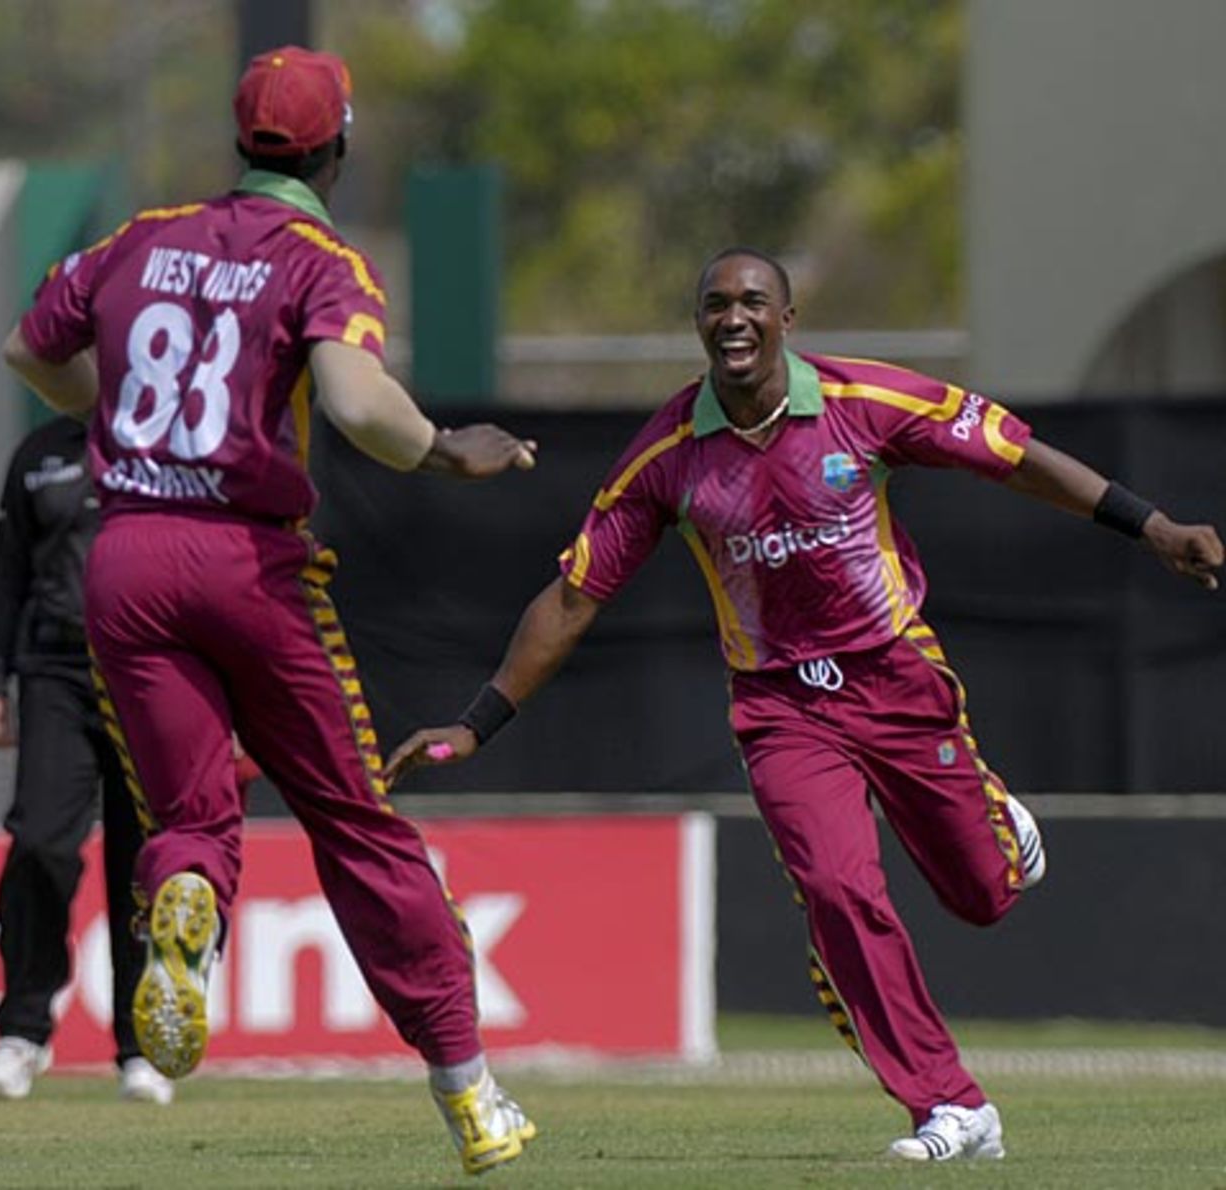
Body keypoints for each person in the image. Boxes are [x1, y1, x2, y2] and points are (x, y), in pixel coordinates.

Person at [386, 247, 1224, 1163]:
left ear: (788, 321)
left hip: (893, 676)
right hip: (780, 706)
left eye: (753, 302)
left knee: (983, 895)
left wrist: (1154, 528)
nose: (733, 318)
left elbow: (1015, 458)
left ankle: (995, 825)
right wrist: (476, 723)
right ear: (698, 324)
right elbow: (575, 598)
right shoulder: (670, 454)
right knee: (835, 889)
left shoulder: (866, 402)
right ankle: (949, 1104)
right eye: (715, 305)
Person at [2, 45, 537, 1176]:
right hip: (249, 564)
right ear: (338, 147)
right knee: (356, 821)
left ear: (240, 141)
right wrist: (443, 450)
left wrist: (119, 419)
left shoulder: (137, 238)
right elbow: (351, 397)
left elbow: (31, 348)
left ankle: (185, 899)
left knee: (189, 817)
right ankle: (470, 1093)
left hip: (127, 558)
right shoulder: (318, 259)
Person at [0, 414, 173, 1104]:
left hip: (152, 671)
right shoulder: (38, 451)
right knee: (38, 843)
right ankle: (23, 1031)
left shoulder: (173, 438)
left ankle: (141, 1046)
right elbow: (7, 575)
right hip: (54, 671)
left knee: (144, 862)